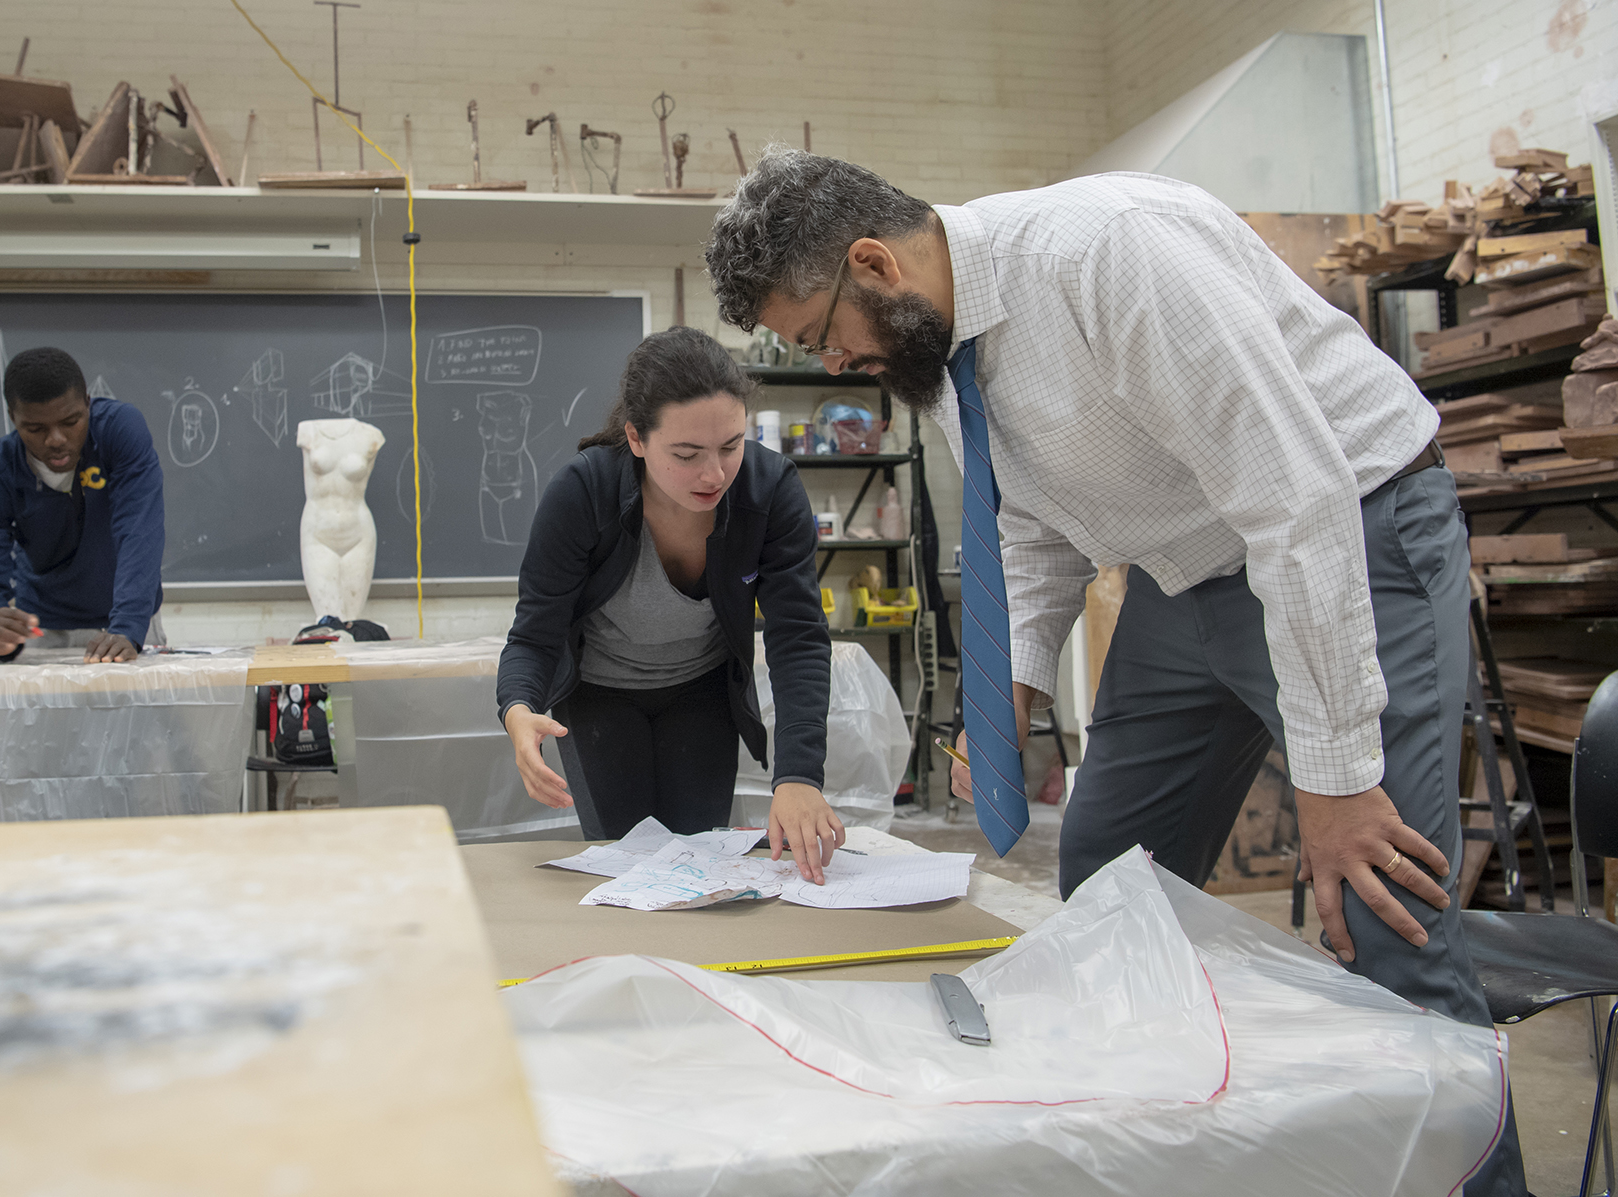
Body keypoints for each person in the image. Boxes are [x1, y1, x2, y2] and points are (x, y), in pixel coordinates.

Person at [704, 148, 1525, 1192]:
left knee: (1379, 905)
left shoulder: (1109, 253)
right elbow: (1039, 522)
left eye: (820, 335)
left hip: (1350, 532)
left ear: (873, 264)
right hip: (1187, 569)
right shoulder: (943, 352)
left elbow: (1294, 494)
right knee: (1108, 883)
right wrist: (1012, 686)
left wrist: (1332, 779)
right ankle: (1173, 1148)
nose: (830, 364)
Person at [496, 326, 846, 881]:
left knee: (697, 870)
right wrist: (518, 712)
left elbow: (798, 635)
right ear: (635, 438)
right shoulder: (583, 493)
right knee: (630, 870)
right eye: (686, 454)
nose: (714, 474)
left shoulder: (769, 489)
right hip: (597, 697)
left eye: (731, 446)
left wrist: (799, 777)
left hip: (702, 693)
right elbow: (534, 635)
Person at [0, 347, 167, 664]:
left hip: (128, 624)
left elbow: (139, 530)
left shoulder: (119, 431)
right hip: (44, 633)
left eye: (71, 421)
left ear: (87, 401)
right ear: (13, 417)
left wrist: (127, 627)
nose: (56, 439)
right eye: (35, 429)